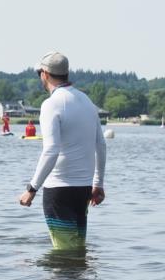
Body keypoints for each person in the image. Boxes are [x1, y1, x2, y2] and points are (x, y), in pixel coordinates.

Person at [19, 51, 107, 250]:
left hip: (59, 190)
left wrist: (32, 189)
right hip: (84, 189)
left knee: (64, 252)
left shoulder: (51, 104)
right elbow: (101, 145)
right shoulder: (87, 101)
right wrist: (98, 184)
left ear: (45, 74)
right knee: (77, 250)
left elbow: (51, 150)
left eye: (39, 74)